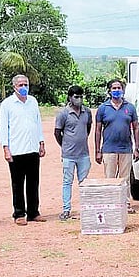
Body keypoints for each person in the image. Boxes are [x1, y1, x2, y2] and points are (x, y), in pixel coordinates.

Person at [0, 75, 47, 225]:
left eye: (25, 84)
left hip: (32, 148)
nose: (23, 87)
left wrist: (41, 142)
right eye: (20, 85)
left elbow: (37, 122)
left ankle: (33, 212)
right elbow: (3, 128)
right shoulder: (7, 104)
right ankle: (19, 213)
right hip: (16, 150)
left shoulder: (33, 102)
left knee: (33, 182)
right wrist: (6, 148)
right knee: (18, 183)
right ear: (14, 87)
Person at [94, 79, 139, 213]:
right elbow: (97, 130)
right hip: (109, 149)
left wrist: (137, 148)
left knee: (125, 178)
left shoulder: (130, 107)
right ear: (109, 91)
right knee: (110, 179)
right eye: (114, 88)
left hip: (126, 149)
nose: (116, 90)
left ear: (123, 90)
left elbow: (136, 128)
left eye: (119, 88)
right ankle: (111, 204)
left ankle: (125, 204)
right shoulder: (103, 108)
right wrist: (98, 150)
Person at [55, 85, 93, 221]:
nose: (79, 99)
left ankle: (86, 208)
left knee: (84, 182)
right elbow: (57, 132)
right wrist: (65, 145)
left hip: (84, 154)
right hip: (68, 155)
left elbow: (88, 128)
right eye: (76, 97)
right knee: (67, 182)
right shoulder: (63, 114)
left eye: (81, 96)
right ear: (70, 98)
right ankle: (66, 209)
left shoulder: (87, 112)